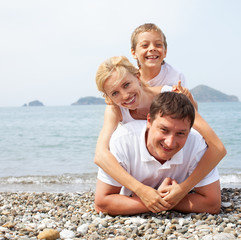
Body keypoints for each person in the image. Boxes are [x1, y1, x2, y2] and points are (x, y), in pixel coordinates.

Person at [94, 56, 226, 212]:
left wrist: (184, 188)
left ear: (138, 77)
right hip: (140, 165)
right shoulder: (116, 110)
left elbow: (217, 147)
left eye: (127, 85)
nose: (124, 95)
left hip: (174, 160)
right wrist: (141, 190)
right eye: (114, 93)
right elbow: (101, 155)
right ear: (108, 98)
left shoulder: (172, 98)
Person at [130, 23, 186, 87]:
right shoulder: (130, 78)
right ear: (134, 53)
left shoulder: (177, 76)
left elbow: (187, 96)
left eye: (158, 44)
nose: (152, 48)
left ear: (165, 52)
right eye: (145, 45)